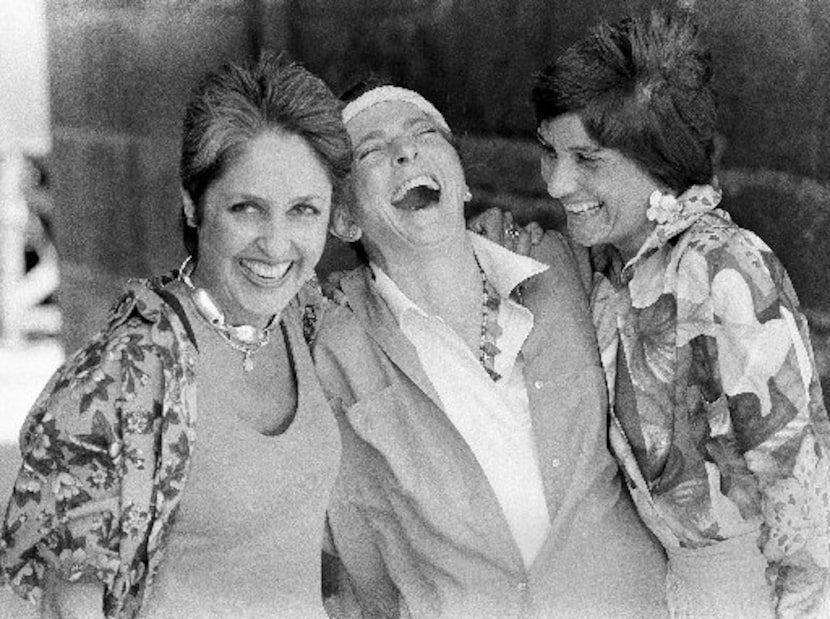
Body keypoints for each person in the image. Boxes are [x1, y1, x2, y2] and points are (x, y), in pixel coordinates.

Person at [0, 53, 351, 618]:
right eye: (247, 208)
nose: (277, 243)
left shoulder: (301, 319)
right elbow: (73, 605)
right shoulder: (123, 373)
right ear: (193, 204)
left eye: (303, 210)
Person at [314, 83, 669, 618]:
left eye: (424, 134)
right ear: (344, 220)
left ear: (461, 183)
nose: (405, 152)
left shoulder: (561, 264)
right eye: (371, 151)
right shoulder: (331, 343)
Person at [528, 10, 830, 618]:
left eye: (587, 160)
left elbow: (801, 494)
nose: (557, 184)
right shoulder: (612, 268)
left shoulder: (726, 266)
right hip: (667, 592)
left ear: (659, 158)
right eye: (548, 152)